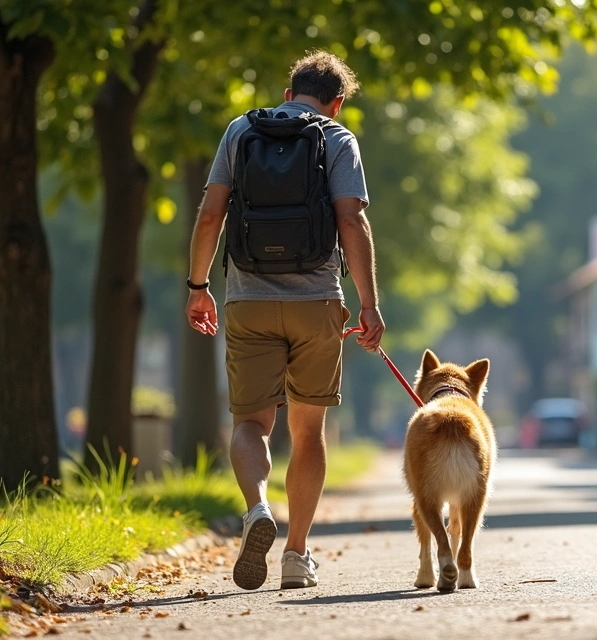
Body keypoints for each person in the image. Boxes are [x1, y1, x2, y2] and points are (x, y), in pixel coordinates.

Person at [185, 51, 384, 590]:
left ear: (288, 90)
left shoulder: (239, 131)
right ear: (337, 103)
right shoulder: (337, 139)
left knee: (251, 423)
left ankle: (257, 509)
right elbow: (351, 220)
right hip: (317, 301)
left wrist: (198, 287)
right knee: (308, 429)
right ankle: (296, 555)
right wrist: (368, 303)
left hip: (247, 300)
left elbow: (210, 214)